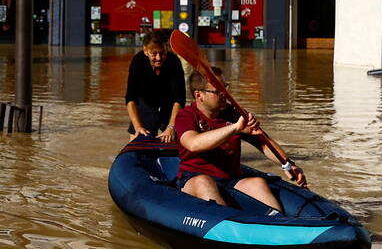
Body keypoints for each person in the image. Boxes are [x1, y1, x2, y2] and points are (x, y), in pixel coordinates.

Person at [175, 66, 307, 211]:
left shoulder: (234, 113)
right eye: (218, 91)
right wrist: (235, 128)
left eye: (225, 87)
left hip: (230, 179)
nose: (225, 94)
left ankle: (278, 224)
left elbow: (263, 143)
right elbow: (194, 144)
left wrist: (288, 164)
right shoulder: (186, 115)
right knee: (204, 182)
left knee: (258, 183)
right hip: (194, 177)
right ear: (199, 95)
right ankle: (226, 225)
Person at [125, 29, 187, 142]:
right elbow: (130, 98)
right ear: (145, 51)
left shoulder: (174, 62)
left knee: (174, 138)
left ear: (167, 48)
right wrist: (137, 127)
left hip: (168, 103)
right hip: (145, 102)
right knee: (137, 138)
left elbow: (179, 99)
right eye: (154, 53)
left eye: (162, 52)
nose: (158, 58)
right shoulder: (138, 61)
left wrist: (171, 127)